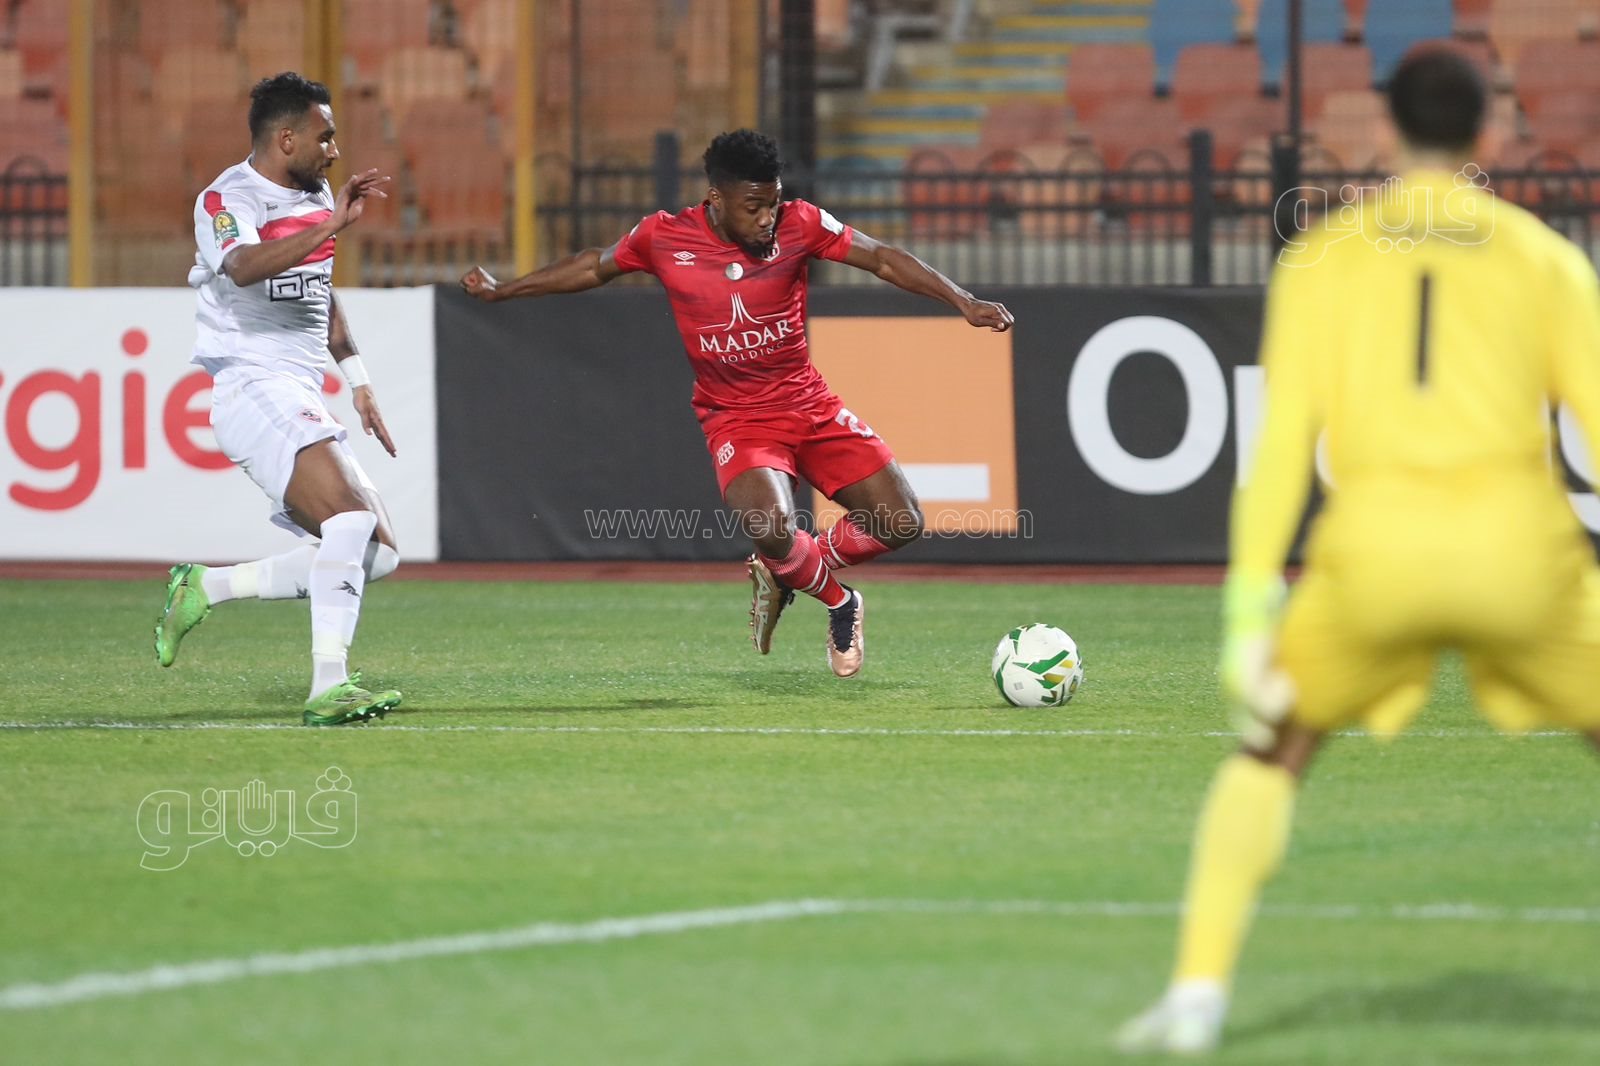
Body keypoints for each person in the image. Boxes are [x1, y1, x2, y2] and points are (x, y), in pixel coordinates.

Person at [1116, 46, 1600, 1054]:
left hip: (1376, 560)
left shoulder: (1323, 257)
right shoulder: (1546, 259)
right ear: (1491, 134)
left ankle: (1196, 996)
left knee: (1273, 752)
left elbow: (1283, 449)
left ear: (1384, 130)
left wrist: (1248, 610)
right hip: (1519, 560)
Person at [460, 130, 1012, 676]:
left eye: (773, 202)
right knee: (772, 527)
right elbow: (591, 266)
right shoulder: (663, 237)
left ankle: (787, 568)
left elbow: (883, 259)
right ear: (716, 199)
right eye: (754, 207)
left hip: (809, 403)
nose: (767, 218)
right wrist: (505, 289)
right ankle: (839, 601)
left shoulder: (801, 223)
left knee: (901, 522)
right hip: (737, 419)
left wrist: (963, 301)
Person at [154, 72, 403, 727]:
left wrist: (359, 380)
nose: (335, 150)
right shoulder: (226, 198)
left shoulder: (315, 194)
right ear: (286, 137)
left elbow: (320, 293)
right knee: (349, 518)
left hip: (296, 387)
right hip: (249, 383)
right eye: (326, 137)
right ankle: (329, 685)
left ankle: (206, 586)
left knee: (378, 551)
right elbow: (242, 266)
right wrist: (332, 227)